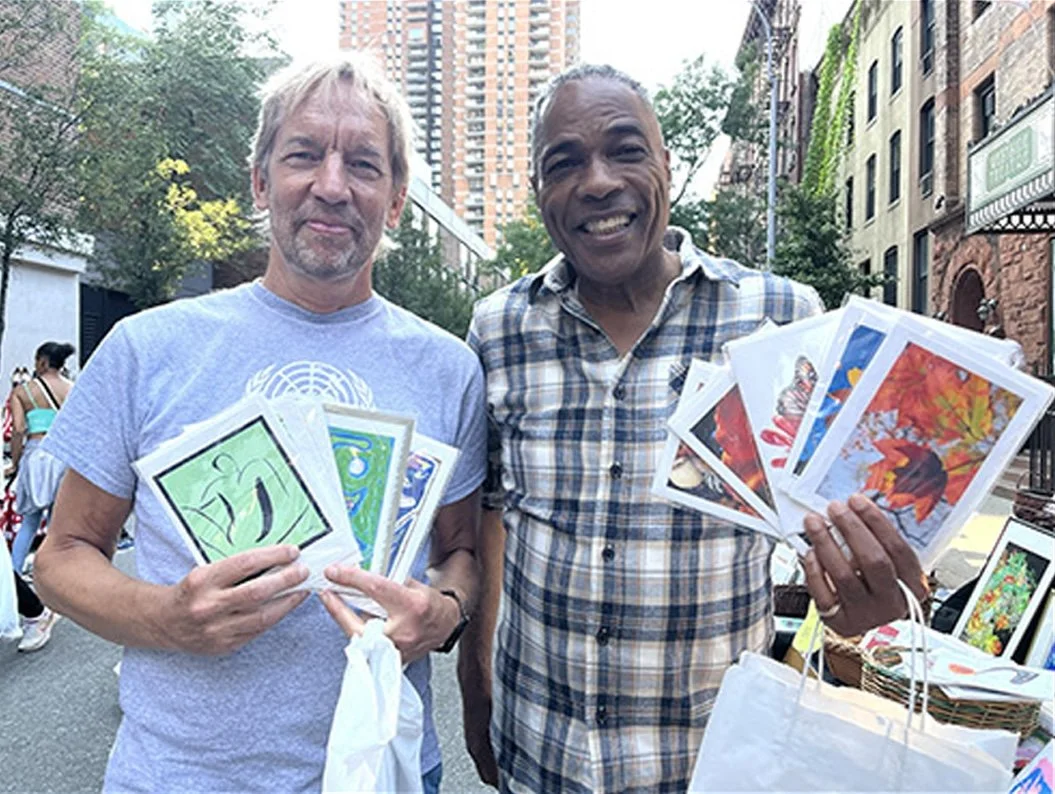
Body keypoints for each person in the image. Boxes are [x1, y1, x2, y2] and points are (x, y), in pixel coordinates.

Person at [458, 64, 928, 793]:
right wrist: (473, 679)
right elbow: (492, 515)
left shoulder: (780, 319)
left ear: (666, 167)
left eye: (624, 149)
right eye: (563, 163)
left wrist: (858, 610)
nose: (596, 181)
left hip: (710, 766)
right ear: (538, 191)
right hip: (538, 753)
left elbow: (836, 537)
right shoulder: (497, 330)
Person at [34, 56, 485, 793]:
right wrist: (165, 616)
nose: (331, 186)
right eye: (304, 154)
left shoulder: (448, 368)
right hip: (177, 776)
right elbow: (61, 556)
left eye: (363, 164)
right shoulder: (148, 349)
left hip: (383, 770)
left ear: (397, 199)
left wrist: (442, 612)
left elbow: (461, 552)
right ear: (260, 179)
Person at [8, 342, 74, 575]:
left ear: (43, 362)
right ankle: (54, 575)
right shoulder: (72, 389)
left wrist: (15, 464)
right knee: (57, 523)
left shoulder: (23, 392)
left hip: (35, 453)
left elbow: (18, 430)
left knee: (29, 522)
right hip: (62, 454)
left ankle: (15, 573)